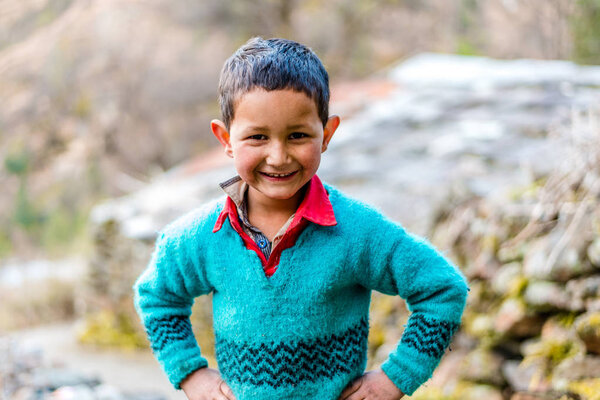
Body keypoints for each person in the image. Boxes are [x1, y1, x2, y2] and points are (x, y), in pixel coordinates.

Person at [133, 37, 469, 400]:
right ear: (226, 138)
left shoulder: (357, 233)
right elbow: (157, 297)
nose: (278, 157)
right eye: (258, 137)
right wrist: (191, 374)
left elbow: (442, 289)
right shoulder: (200, 238)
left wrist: (395, 378)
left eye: (297, 135)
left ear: (326, 135)